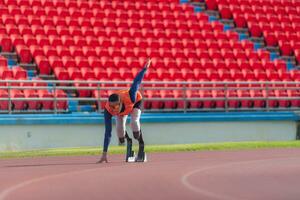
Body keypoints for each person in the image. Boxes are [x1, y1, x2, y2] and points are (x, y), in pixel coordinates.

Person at [97, 58, 151, 163]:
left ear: (120, 103)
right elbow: (108, 132)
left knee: (134, 122)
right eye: (111, 107)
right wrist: (104, 153)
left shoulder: (131, 96)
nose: (113, 109)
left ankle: (141, 144)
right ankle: (128, 142)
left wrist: (144, 69)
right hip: (124, 110)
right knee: (119, 131)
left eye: (115, 107)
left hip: (134, 103)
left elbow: (136, 82)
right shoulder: (108, 110)